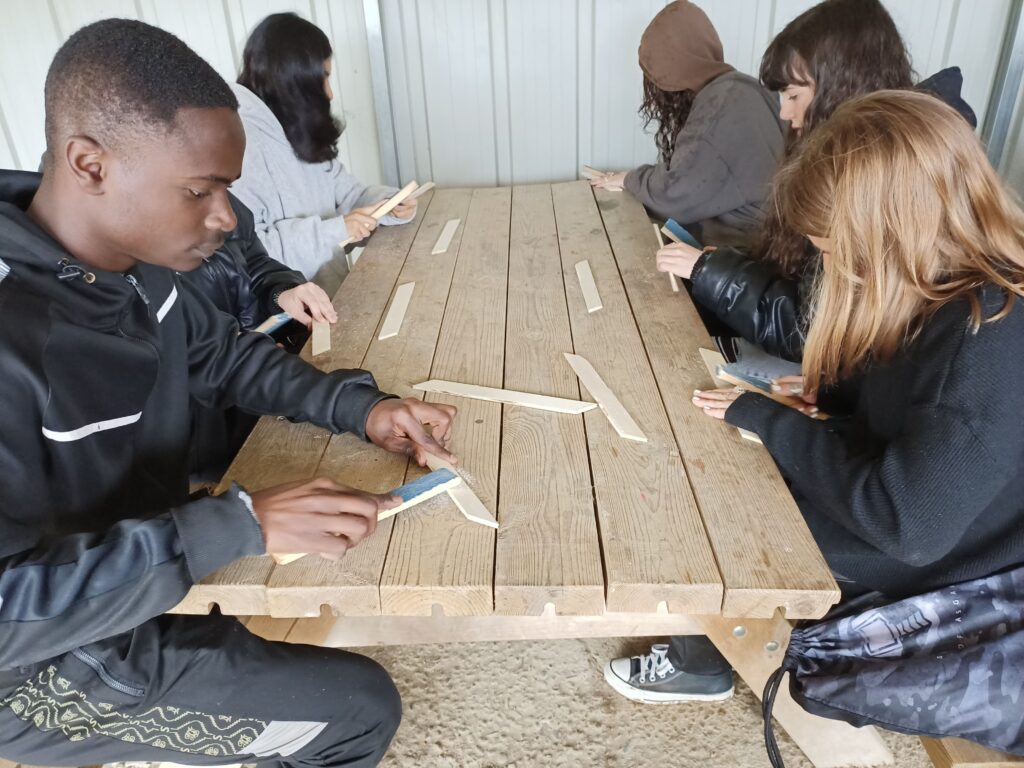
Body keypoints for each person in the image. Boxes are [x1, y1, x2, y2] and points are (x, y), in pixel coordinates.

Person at [0, 19, 457, 767]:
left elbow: (227, 357)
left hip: (130, 568)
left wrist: (364, 409)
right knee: (355, 713)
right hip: (33, 669)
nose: (225, 219)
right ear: (90, 164)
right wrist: (232, 529)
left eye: (228, 191)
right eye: (199, 191)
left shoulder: (136, 265)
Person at [693, 89, 1024, 598]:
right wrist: (836, 393)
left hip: (951, 556)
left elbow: (907, 528)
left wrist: (769, 420)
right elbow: (914, 396)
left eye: (835, 251)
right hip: (914, 504)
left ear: (893, 235)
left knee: (739, 521)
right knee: (747, 476)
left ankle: (708, 662)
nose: (827, 266)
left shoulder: (987, 336)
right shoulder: (942, 281)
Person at [653, 0, 975, 362]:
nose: (785, 112)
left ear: (840, 86)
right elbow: (807, 291)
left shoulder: (888, 183)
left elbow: (814, 329)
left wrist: (714, 273)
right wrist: (727, 265)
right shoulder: (847, 162)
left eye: (793, 95)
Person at [230, 13, 417, 294]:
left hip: (332, 299)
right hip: (286, 322)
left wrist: (388, 205)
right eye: (323, 79)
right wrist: (337, 230)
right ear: (294, 81)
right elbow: (250, 256)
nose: (329, 93)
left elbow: (349, 196)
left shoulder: (298, 125)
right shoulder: (238, 145)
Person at [591, 0, 783, 249]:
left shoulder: (717, 109)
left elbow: (676, 194)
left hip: (748, 257)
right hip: (775, 243)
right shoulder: (744, 86)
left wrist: (631, 179)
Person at [182, 194, 338, 481]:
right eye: (198, 188)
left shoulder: (221, 201)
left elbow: (253, 261)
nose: (229, 218)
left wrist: (281, 291)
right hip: (194, 444)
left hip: (252, 387)